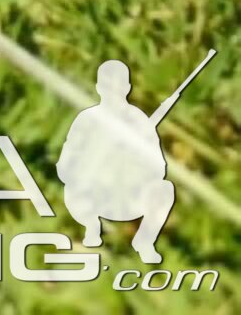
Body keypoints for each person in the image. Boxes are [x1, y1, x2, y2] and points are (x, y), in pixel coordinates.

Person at [58, 59, 178, 263]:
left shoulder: (139, 121)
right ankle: (92, 231)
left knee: (165, 189)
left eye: (119, 85)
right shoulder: (87, 119)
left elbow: (159, 166)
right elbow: (65, 165)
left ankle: (145, 241)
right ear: (98, 87)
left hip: (131, 194)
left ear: (127, 87)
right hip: (94, 196)